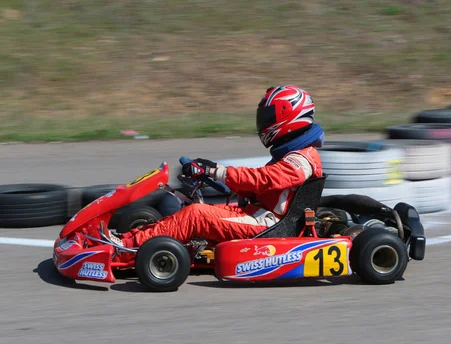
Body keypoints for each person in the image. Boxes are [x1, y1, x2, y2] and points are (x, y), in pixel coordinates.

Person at [102, 85, 325, 249]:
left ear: (290, 116)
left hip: (268, 225)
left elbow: (264, 179)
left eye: (269, 117)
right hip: (257, 215)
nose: (263, 123)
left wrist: (215, 170)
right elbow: (265, 189)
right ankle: (130, 238)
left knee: (195, 216)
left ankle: (123, 248)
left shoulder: (301, 160)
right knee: (191, 209)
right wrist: (213, 178)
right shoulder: (294, 155)